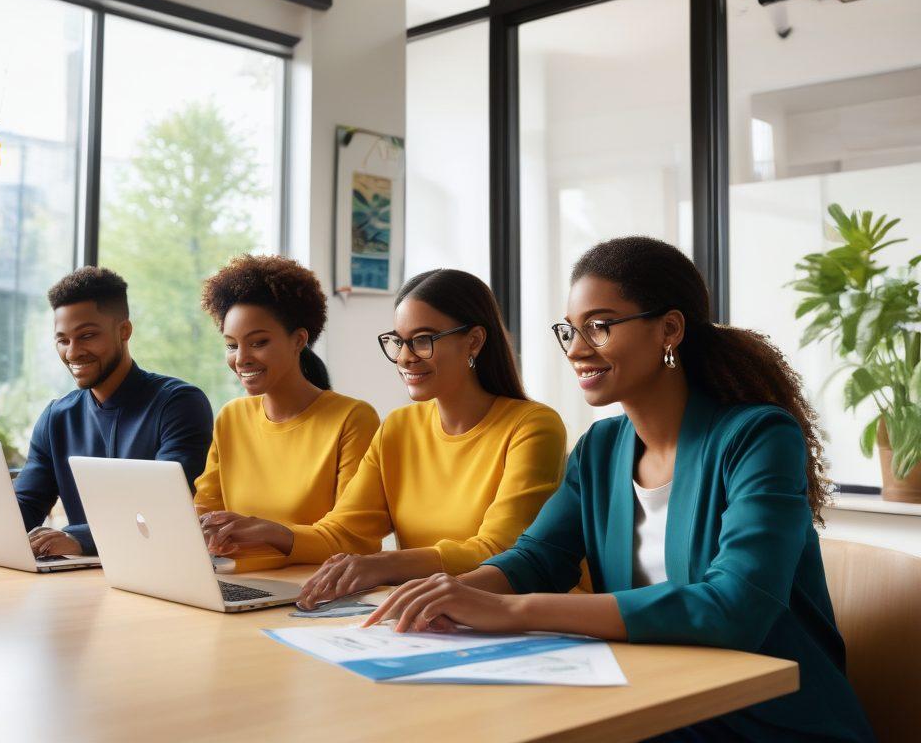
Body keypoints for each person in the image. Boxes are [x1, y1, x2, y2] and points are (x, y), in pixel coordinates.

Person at [368, 237, 874, 743]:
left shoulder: (757, 436)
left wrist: (507, 610)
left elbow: (735, 607)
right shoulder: (601, 448)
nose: (576, 348)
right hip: (653, 695)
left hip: (765, 716)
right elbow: (537, 559)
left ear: (669, 330)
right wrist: (449, 593)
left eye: (600, 326)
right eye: (570, 330)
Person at [203, 268, 566, 609]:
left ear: (473, 341)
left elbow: (499, 549)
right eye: (399, 342)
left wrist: (384, 564)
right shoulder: (399, 427)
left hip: (527, 616)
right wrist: (273, 532)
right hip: (434, 612)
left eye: (422, 340)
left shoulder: (533, 427)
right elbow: (345, 533)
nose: (405, 358)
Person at [193, 255, 380, 569]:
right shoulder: (231, 417)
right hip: (235, 582)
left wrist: (271, 532)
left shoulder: (353, 419)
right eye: (231, 345)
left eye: (259, 342)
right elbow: (204, 513)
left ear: (298, 340)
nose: (241, 359)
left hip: (313, 589)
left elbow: (353, 540)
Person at [16, 266, 213, 558]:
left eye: (87, 336)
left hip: (159, 569)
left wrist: (78, 537)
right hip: (83, 578)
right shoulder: (57, 417)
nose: (72, 352)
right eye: (63, 340)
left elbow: (161, 506)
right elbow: (27, 502)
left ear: (124, 331)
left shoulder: (179, 404)